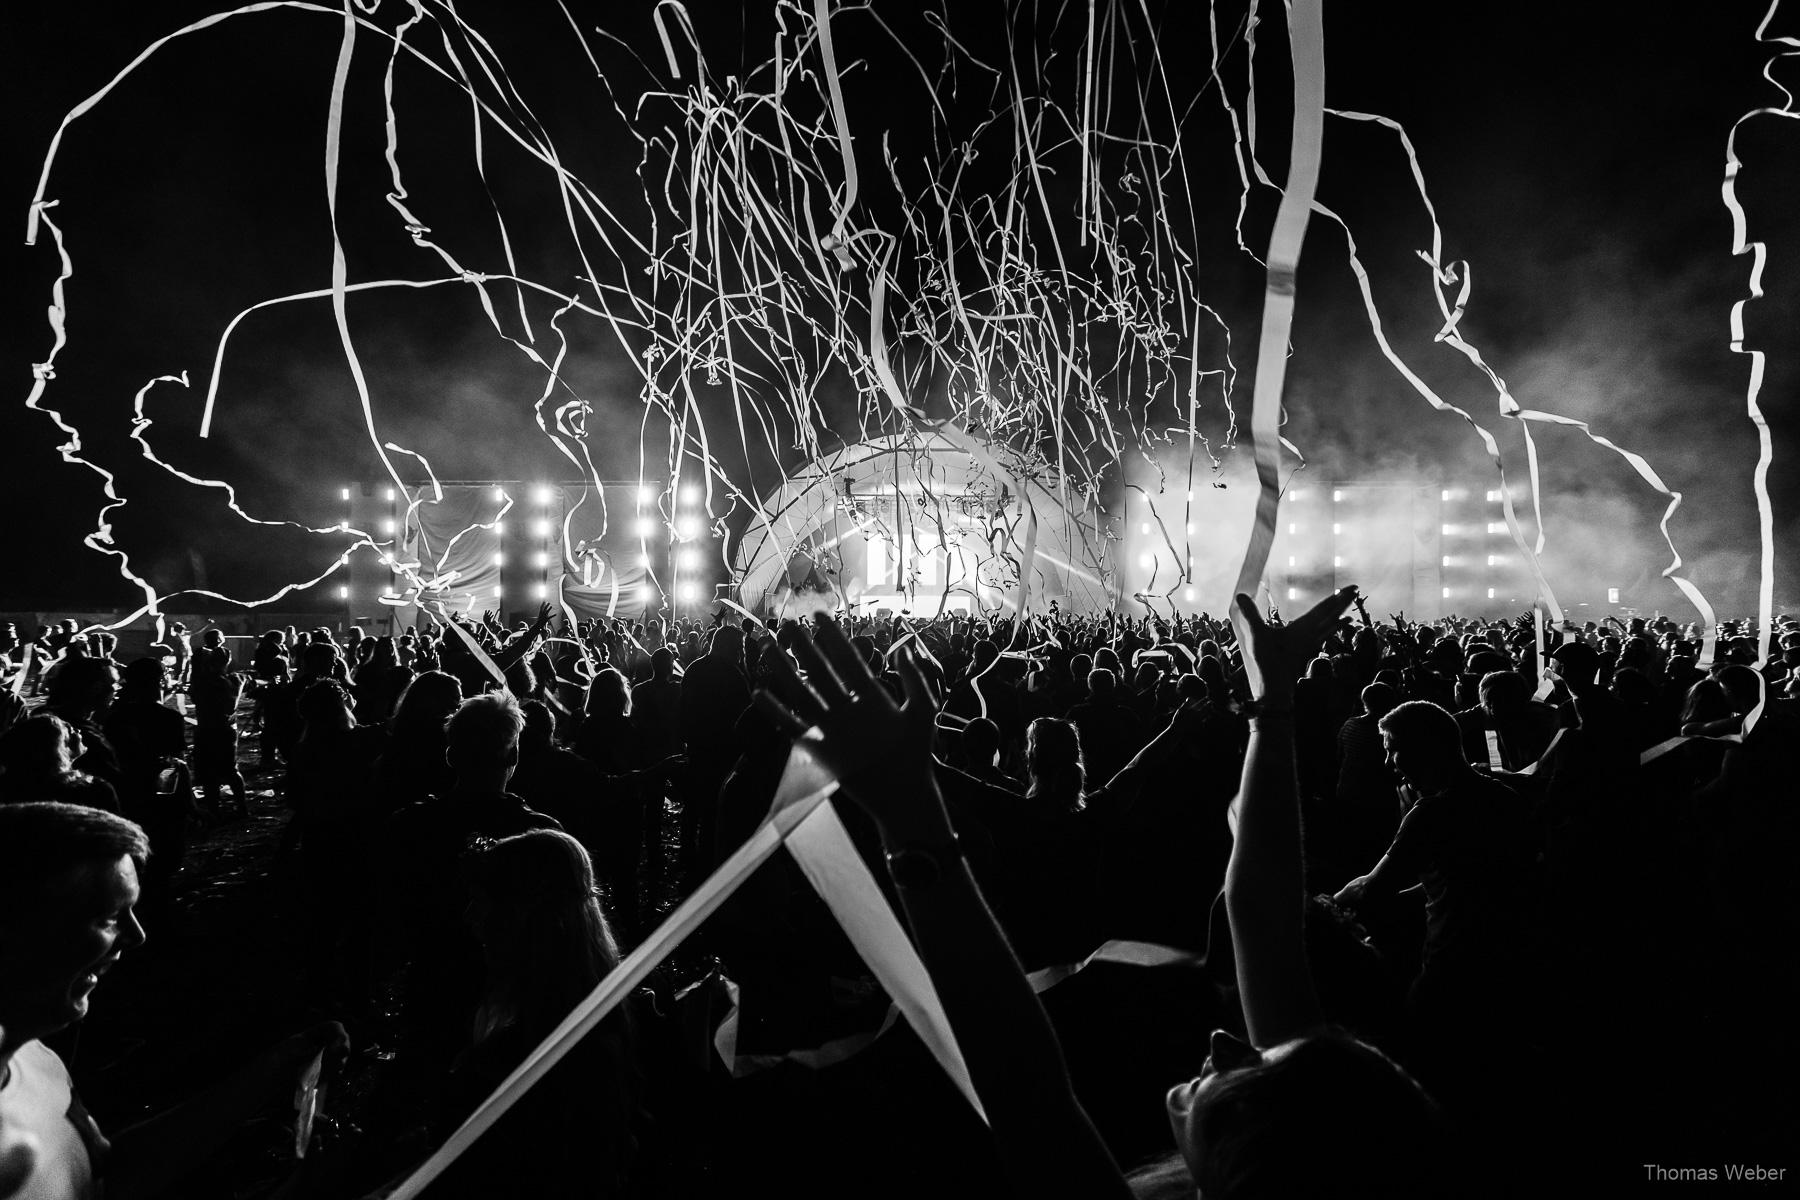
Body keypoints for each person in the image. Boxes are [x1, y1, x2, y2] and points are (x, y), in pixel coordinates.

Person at [754, 594, 1444, 1199]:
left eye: (1253, 1075)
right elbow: (1263, 922)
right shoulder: (1312, 1135)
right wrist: (1273, 707)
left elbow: (1020, 1079)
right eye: (1262, 1052)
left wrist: (910, 810)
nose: (1230, 1040)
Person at [0, 802, 345, 1200]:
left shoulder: (33, 1055)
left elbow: (103, 1175)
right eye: (109, 916)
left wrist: (277, 1066)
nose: (136, 936)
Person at [422, 830, 641, 1197]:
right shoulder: (611, 1014)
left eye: (483, 902)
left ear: (521, 917)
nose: (471, 917)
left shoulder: (508, 1062)